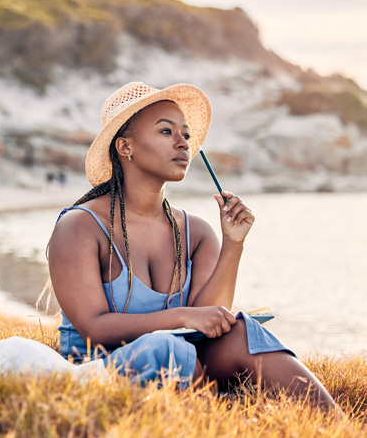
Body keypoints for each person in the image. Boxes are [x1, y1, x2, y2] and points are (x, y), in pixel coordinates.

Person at [44, 82, 340, 412]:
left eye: (185, 133)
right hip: (99, 364)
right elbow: (93, 328)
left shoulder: (195, 231)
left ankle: (340, 426)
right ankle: (217, 411)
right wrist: (181, 316)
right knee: (166, 348)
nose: (182, 142)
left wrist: (233, 244)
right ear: (126, 147)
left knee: (242, 331)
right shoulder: (80, 226)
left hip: (179, 352)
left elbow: (211, 318)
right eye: (166, 131)